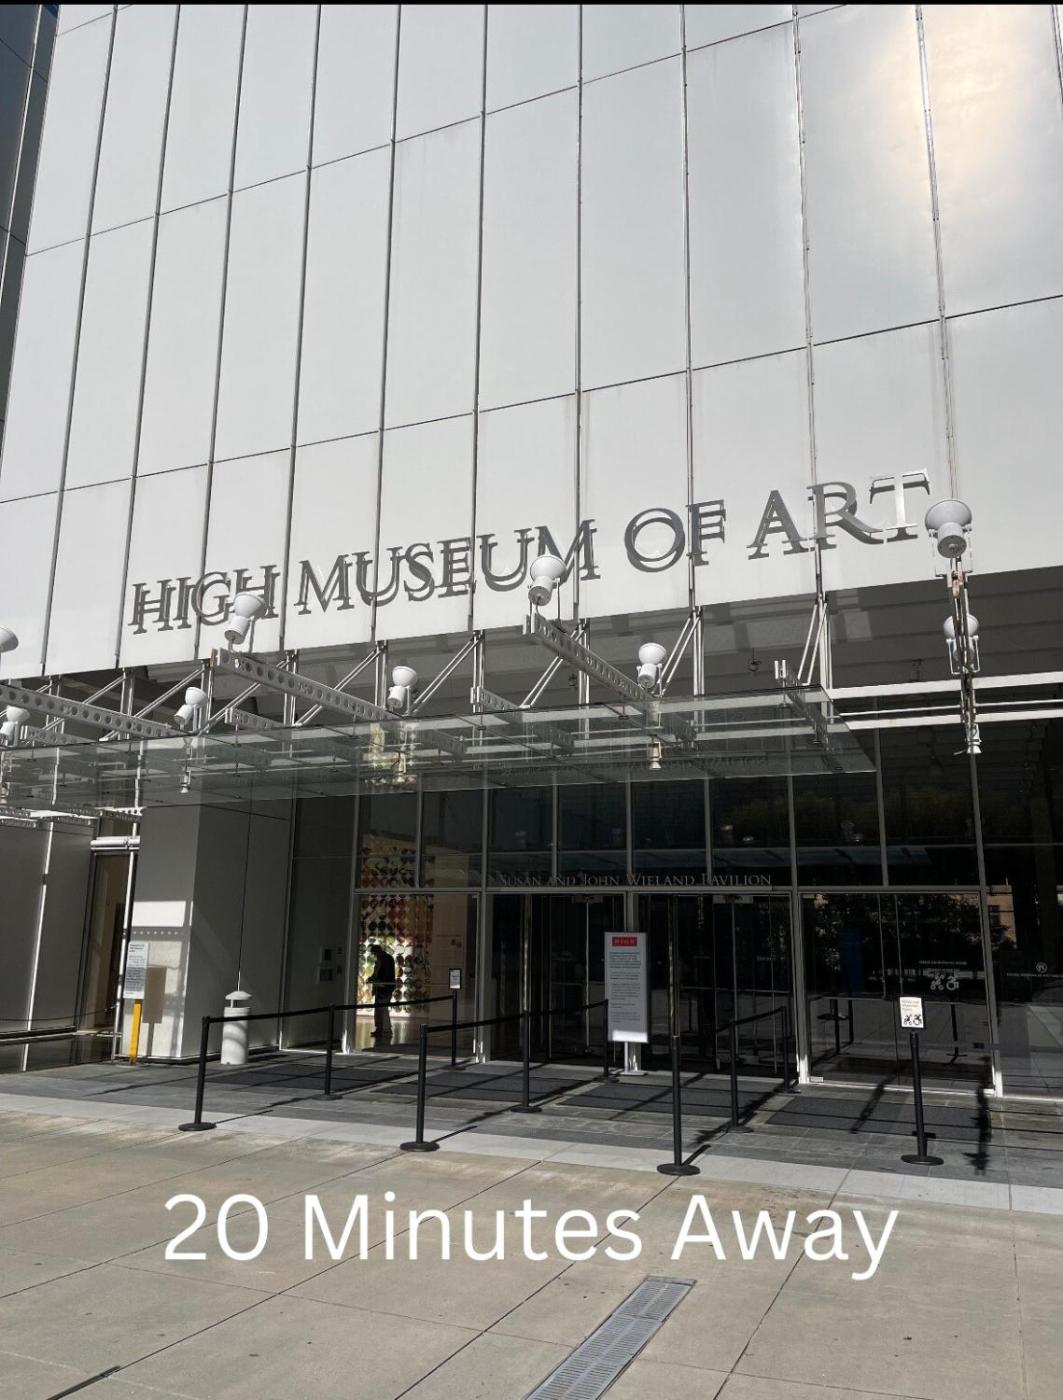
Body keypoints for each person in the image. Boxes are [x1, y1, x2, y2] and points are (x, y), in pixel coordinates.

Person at [368, 943, 397, 1041]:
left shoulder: (387, 959)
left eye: (374, 953)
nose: (374, 955)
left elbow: (387, 974)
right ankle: (379, 1028)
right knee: (378, 1009)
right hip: (380, 987)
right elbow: (376, 973)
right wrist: (372, 978)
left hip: (385, 987)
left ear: (377, 952)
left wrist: (379, 980)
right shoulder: (381, 959)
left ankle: (386, 1030)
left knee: (383, 1009)